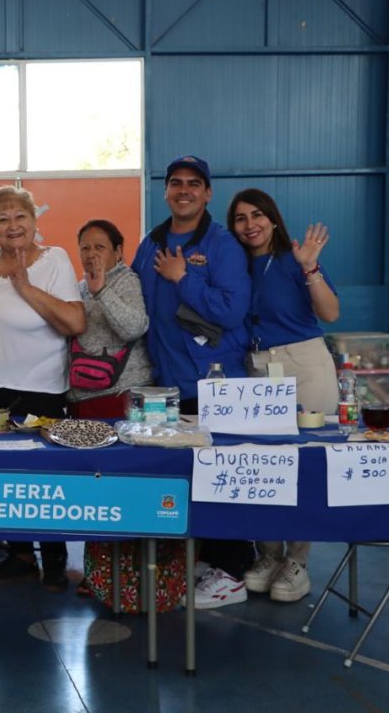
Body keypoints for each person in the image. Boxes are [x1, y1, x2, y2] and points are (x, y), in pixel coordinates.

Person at [132, 156, 253, 609]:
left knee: (222, 476)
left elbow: (231, 310)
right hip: (168, 384)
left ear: (207, 194)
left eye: (194, 184)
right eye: (176, 183)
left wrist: (184, 280)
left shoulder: (221, 246)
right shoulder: (151, 244)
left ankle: (234, 572)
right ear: (165, 191)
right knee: (190, 477)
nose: (184, 190)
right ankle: (212, 558)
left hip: (216, 382)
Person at [0, 185, 85, 592]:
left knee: (44, 479)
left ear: (34, 222)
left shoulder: (55, 260)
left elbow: (74, 322)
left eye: (20, 216)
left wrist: (24, 286)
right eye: (3, 218)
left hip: (35, 391)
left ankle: (55, 561)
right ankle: (19, 553)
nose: (13, 225)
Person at [228, 188, 340, 603]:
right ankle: (268, 554)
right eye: (240, 218)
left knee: (305, 464)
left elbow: (330, 313)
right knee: (261, 463)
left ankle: (298, 563)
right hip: (257, 368)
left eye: (258, 215)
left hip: (304, 364)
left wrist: (310, 268)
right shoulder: (237, 265)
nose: (250, 224)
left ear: (273, 219)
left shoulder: (296, 258)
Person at [67, 219, 153, 419]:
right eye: (85, 248)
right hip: (81, 397)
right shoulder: (79, 287)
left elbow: (134, 328)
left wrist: (102, 291)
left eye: (100, 247)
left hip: (121, 395)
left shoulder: (127, 281)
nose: (91, 254)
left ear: (118, 251)